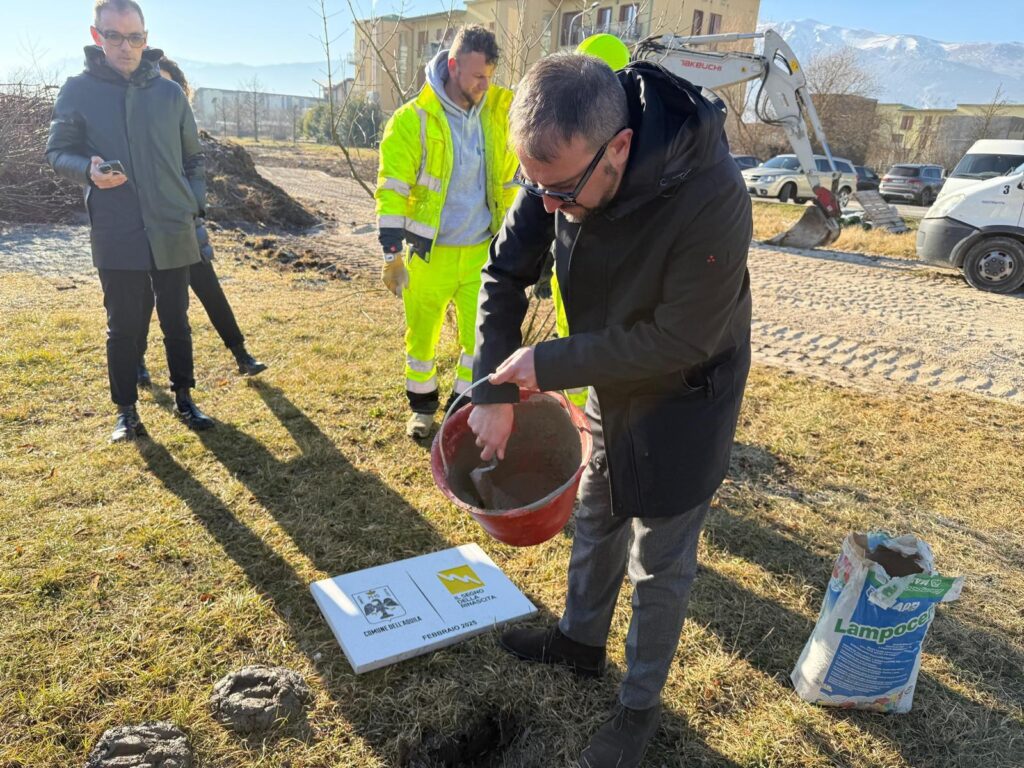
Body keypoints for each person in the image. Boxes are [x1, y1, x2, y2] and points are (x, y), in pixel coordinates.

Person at [467, 52, 753, 767]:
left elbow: (684, 338)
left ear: (618, 147)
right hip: (606, 373)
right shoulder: (558, 168)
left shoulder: (712, 194)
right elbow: (504, 270)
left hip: (688, 394)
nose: (547, 205)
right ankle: (578, 644)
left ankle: (639, 706)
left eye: (560, 190)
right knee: (597, 512)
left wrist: (546, 364)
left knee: (660, 557)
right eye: (534, 187)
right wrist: (494, 389)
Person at [47, 0, 214, 442]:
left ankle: (185, 398)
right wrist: (87, 170)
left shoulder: (169, 93)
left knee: (176, 319)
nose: (126, 46)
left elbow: (193, 159)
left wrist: (191, 204)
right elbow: (56, 152)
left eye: (135, 36)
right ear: (96, 34)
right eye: (115, 36)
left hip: (172, 226)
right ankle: (127, 411)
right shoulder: (78, 90)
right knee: (123, 324)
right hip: (116, 227)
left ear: (146, 36)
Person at [375, 24, 518, 438]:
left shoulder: (498, 112)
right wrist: (391, 254)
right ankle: (422, 410)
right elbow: (391, 192)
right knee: (421, 340)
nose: (484, 84)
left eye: (490, 76)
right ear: (452, 66)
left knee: (480, 339)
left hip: (481, 253)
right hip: (428, 256)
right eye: (477, 76)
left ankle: (461, 406)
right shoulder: (412, 121)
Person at [134, 57, 267, 388]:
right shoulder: (140, 133)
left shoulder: (181, 131)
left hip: (185, 225)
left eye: (170, 84)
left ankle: (241, 354)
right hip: (150, 231)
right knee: (143, 300)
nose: (162, 90)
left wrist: (194, 206)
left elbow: (194, 167)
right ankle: (136, 363)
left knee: (210, 289)